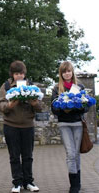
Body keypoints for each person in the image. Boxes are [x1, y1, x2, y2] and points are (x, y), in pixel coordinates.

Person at [0, 60, 42, 193]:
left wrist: (34, 104)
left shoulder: (32, 86)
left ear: (24, 73)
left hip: (28, 125)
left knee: (28, 155)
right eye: (16, 74)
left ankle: (29, 181)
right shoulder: (6, 86)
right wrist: (9, 106)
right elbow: (0, 104)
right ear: (12, 74)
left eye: (21, 73)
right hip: (11, 125)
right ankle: (17, 183)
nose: (19, 76)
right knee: (14, 156)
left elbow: (40, 108)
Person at [51, 61, 88, 193]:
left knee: (76, 154)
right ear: (61, 74)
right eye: (64, 71)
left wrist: (77, 107)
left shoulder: (80, 86)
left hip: (77, 123)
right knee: (70, 153)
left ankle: (77, 183)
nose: (67, 73)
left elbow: (86, 107)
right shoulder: (57, 88)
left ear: (72, 72)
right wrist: (63, 109)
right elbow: (54, 109)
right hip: (64, 124)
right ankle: (73, 185)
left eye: (69, 71)